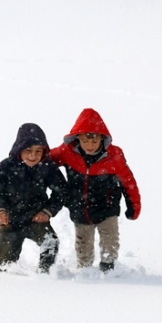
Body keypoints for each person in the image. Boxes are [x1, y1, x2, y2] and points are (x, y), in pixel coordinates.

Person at [49, 108, 141, 272]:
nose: (89, 145)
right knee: (83, 244)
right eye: (85, 141)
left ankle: (108, 266)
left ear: (102, 138)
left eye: (94, 141)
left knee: (110, 239)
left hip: (107, 207)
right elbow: (45, 160)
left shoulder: (114, 156)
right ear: (77, 138)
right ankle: (84, 269)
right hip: (80, 208)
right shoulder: (67, 151)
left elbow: (128, 181)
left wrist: (134, 205)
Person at [0, 123, 67, 273]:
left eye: (38, 151)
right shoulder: (5, 167)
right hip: (10, 221)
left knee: (50, 242)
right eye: (28, 150)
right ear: (19, 149)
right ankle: (2, 281)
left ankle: (45, 274)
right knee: (4, 267)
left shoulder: (47, 167)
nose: (33, 156)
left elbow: (61, 192)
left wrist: (47, 212)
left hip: (36, 219)